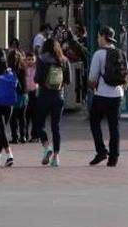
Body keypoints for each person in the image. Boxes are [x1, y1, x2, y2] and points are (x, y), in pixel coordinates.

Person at [88, 25, 125, 167]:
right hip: (117, 95)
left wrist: (93, 87)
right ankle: (114, 157)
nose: (98, 39)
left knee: (94, 121)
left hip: (102, 95)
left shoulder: (99, 54)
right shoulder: (120, 53)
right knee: (114, 126)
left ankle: (101, 151)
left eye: (98, 36)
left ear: (103, 36)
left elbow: (92, 77)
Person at [34, 36, 70, 167]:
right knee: (56, 126)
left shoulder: (42, 59)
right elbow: (68, 80)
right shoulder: (64, 60)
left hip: (44, 95)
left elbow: (37, 79)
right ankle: (56, 157)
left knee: (39, 124)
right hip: (58, 97)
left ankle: (46, 146)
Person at [23, 51, 39, 141]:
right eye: (28, 59)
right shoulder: (23, 69)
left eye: (32, 59)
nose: (30, 61)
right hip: (26, 93)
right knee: (26, 116)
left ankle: (35, 136)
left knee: (35, 116)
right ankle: (24, 135)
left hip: (35, 93)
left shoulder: (37, 69)